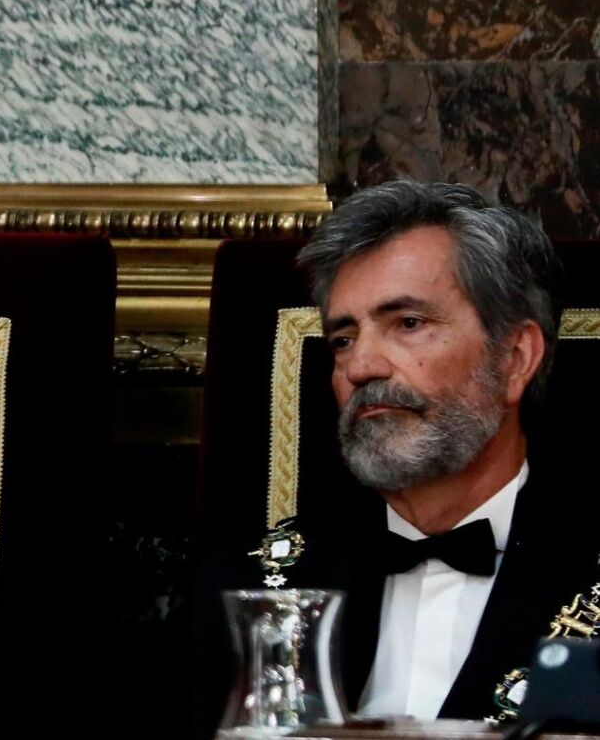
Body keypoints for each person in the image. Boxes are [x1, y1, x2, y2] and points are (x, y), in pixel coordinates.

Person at [194, 180, 600, 731]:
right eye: (343, 339)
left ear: (514, 358)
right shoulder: (250, 588)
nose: (361, 367)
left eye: (408, 324)